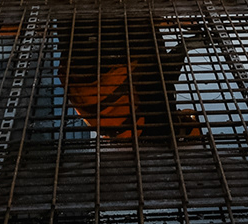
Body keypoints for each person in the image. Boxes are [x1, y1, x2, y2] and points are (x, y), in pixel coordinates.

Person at [57, 14, 205, 145]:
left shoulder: (160, 127)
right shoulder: (130, 136)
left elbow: (163, 73)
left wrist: (187, 44)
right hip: (76, 58)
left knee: (152, 55)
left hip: (104, 58)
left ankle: (138, 13)